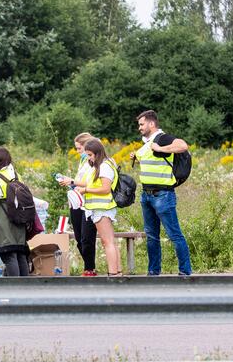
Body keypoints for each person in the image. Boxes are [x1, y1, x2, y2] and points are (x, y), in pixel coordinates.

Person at [130, 110, 192, 276]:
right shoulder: (147, 142)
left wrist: (161, 148)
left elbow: (183, 146)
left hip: (163, 195)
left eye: (141, 124)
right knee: (152, 237)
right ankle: (153, 272)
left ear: (151, 124)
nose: (139, 128)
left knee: (174, 234)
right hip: (147, 195)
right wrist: (135, 155)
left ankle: (185, 272)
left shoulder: (161, 138)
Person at [72, 138, 121, 276]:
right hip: (98, 207)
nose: (88, 158)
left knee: (107, 242)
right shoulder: (99, 166)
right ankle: (117, 271)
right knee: (110, 241)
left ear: (97, 153)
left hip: (102, 208)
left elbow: (105, 188)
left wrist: (86, 190)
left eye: (90, 155)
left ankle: (112, 273)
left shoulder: (105, 166)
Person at [57, 132, 98, 276]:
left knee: (87, 238)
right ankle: (88, 267)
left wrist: (72, 181)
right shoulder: (82, 161)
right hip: (76, 202)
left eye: (79, 148)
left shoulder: (93, 161)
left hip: (88, 203)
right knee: (79, 238)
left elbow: (90, 182)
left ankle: (90, 268)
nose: (77, 151)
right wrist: (70, 183)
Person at [0, 146, 28, 276]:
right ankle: (27, 287)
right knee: (20, 254)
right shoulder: (17, 176)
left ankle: (16, 287)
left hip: (3, 220)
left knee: (8, 255)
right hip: (19, 219)